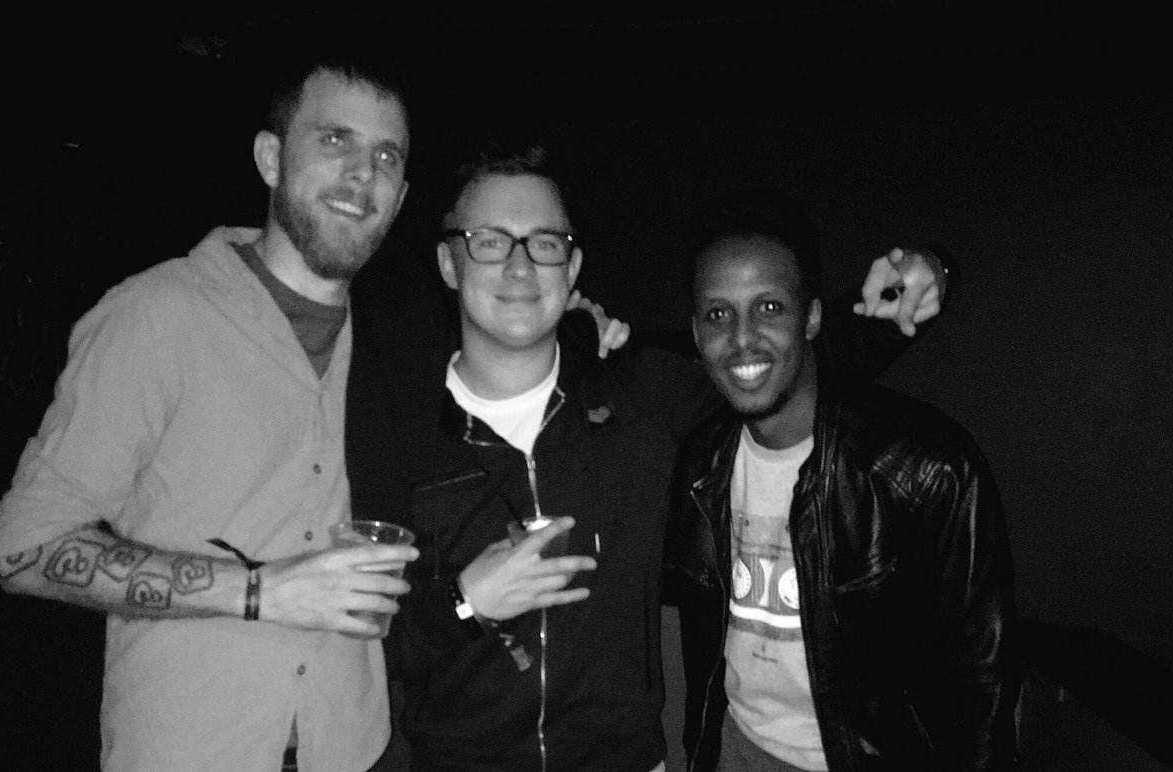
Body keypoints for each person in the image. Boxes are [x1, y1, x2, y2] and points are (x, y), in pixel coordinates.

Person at [381, 144, 952, 771]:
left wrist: (918, 282)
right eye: (490, 242)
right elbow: (368, 647)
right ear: (448, 262)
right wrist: (464, 602)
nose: (520, 267)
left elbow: (773, 362)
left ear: (572, 268)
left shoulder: (642, 394)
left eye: (543, 243)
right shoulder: (395, 430)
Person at [0, 48, 423, 771]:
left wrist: (579, 330)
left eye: (386, 156)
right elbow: (24, 549)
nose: (361, 173)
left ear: (400, 197)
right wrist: (260, 591)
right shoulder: (154, 316)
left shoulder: (396, 337)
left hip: (355, 747)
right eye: (334, 140)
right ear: (271, 158)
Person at [665, 188, 1018, 771]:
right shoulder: (699, 463)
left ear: (812, 317)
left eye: (770, 307)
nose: (742, 336)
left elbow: (980, 678)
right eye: (718, 314)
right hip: (737, 749)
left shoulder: (922, 470)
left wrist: (933, 268)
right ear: (697, 333)